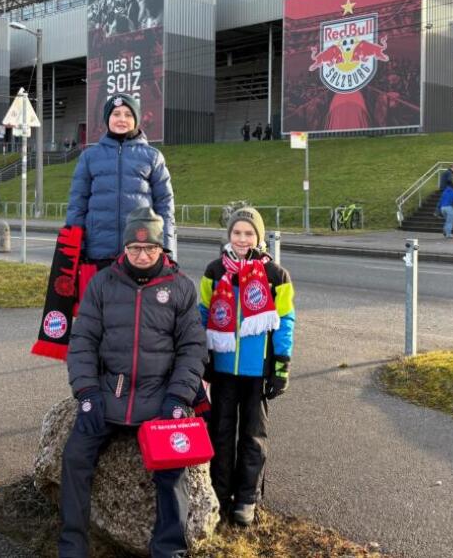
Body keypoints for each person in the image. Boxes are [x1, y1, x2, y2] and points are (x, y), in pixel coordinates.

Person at [60, 207, 206, 558]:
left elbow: (193, 349)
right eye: (135, 249)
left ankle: (168, 550)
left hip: (160, 399)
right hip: (109, 395)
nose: (142, 256)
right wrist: (87, 392)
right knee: (75, 459)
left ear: (162, 249)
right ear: (124, 248)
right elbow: (82, 342)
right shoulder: (102, 283)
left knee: (172, 471)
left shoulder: (181, 288)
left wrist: (178, 397)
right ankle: (73, 548)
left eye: (150, 249)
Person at [199, 207, 295, 527]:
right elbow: (202, 315)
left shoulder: (275, 275)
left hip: (258, 372)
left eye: (248, 233)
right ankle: (220, 493)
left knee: (253, 437)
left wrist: (281, 366)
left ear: (259, 237)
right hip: (223, 370)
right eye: (237, 233)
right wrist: (202, 360)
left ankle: (246, 499)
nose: (242, 239)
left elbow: (284, 323)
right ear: (229, 236)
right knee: (221, 434)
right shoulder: (214, 271)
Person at [66, 93, 175, 271]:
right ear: (107, 119)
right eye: (116, 114)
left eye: (128, 114)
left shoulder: (153, 157)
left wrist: (166, 247)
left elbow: (165, 204)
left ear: (136, 119)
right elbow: (77, 205)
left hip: (140, 251)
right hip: (98, 253)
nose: (121, 119)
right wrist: (75, 246)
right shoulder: (89, 157)